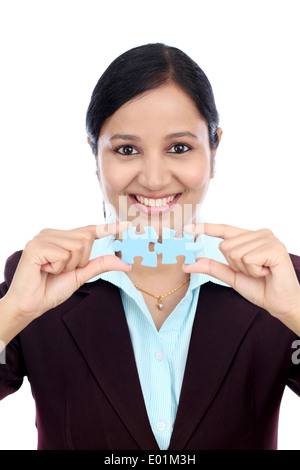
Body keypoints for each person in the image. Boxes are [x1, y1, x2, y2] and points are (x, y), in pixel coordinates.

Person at [0, 43, 300, 451]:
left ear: (214, 149)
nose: (155, 179)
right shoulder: (35, 279)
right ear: (95, 153)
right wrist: (12, 314)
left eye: (179, 147)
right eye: (127, 150)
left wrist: (296, 312)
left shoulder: (281, 279)